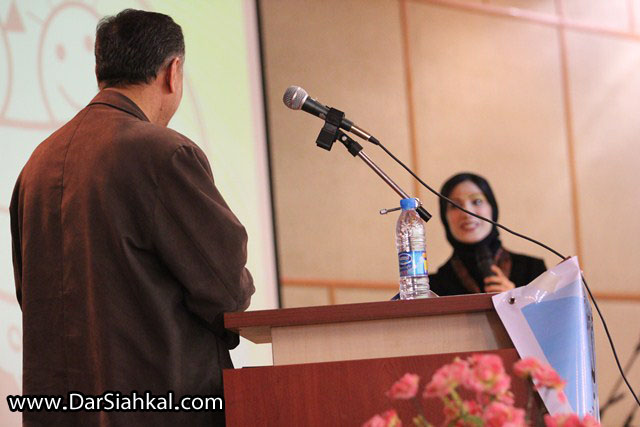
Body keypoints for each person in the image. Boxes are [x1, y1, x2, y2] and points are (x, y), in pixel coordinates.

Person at [10, 9, 254, 426]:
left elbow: (29, 295)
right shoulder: (165, 155)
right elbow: (226, 290)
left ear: (101, 71)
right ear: (173, 72)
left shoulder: (37, 164)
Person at [429, 172, 546, 296]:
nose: (467, 212)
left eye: (477, 201)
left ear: (493, 209)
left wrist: (516, 299)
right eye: (454, 205)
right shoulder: (434, 287)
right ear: (444, 218)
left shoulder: (534, 271)